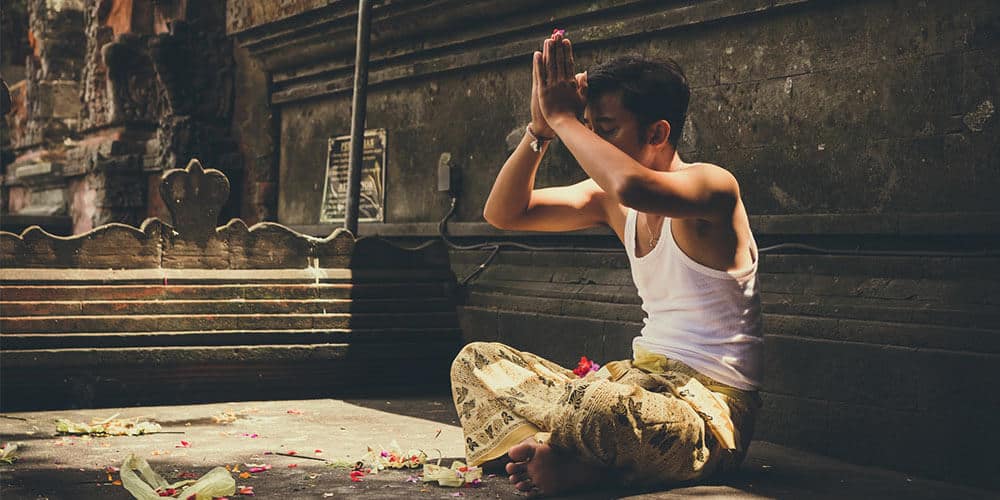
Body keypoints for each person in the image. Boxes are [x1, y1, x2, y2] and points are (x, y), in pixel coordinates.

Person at [449, 30, 763, 497]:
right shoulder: (610, 201)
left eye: (607, 130)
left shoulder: (712, 187)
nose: (591, 143)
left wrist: (563, 116)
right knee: (476, 362)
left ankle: (565, 456)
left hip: (702, 416)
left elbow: (633, 186)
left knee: (599, 404)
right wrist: (541, 132)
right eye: (590, 128)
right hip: (630, 382)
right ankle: (568, 457)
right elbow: (504, 213)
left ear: (657, 132)